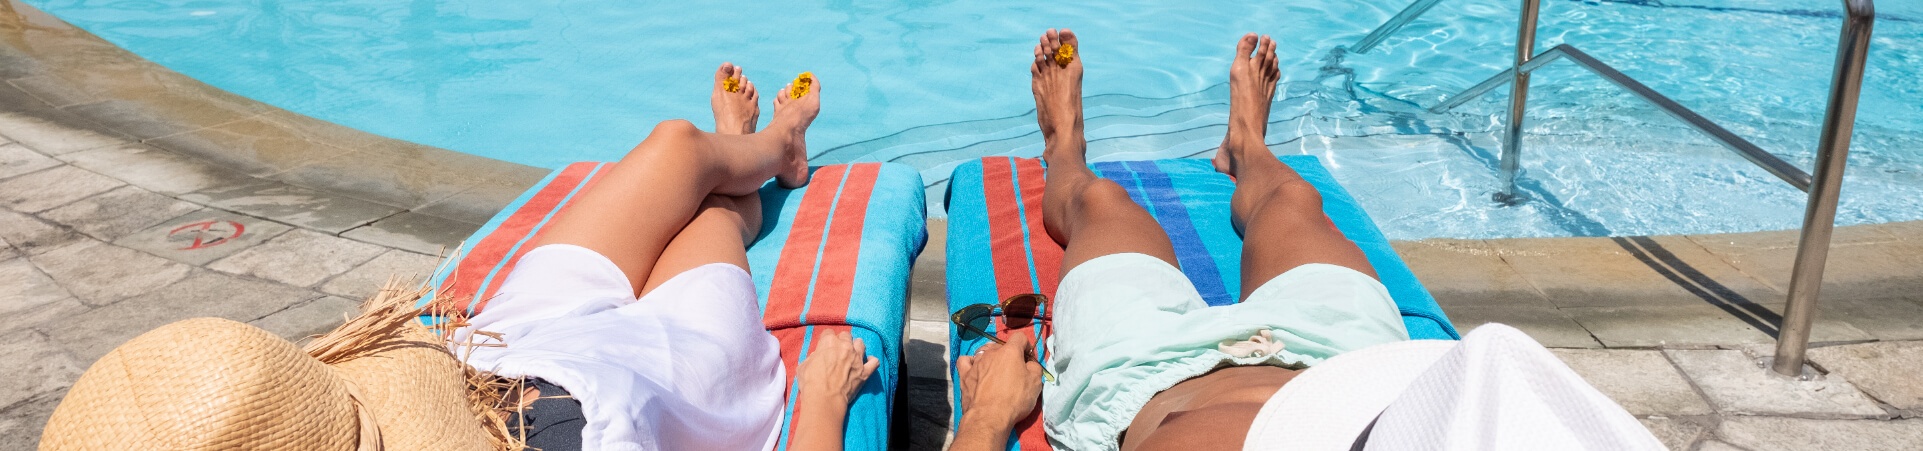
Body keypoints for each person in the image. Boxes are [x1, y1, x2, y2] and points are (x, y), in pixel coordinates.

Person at [950, 30, 1662, 451]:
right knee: (1292, 198)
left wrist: (985, 416)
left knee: (1100, 201)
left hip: (1141, 375)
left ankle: (1063, 149)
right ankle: (1246, 147)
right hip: (1364, 370)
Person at [453, 63, 882, 450]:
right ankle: (767, 145)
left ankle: (751, 147)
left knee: (677, 142)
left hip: (508, 348)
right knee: (715, 212)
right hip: (666, 383)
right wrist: (825, 401)